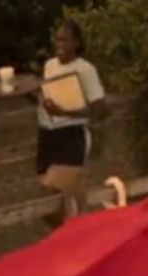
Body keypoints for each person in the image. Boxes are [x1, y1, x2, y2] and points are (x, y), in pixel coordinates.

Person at [34, 19, 106, 222]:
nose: (60, 45)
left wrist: (64, 111)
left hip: (71, 136)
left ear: (76, 42)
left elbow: (100, 109)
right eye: (57, 40)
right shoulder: (50, 66)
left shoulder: (85, 69)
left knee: (63, 191)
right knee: (50, 200)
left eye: (65, 40)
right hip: (48, 134)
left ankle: (80, 230)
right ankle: (64, 238)